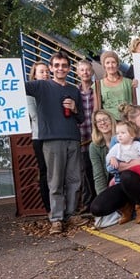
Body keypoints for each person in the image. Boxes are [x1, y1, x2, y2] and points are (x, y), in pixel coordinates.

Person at [25, 51, 85, 235]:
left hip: (73, 138)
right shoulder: (41, 86)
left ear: (68, 69)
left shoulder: (74, 90)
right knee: (55, 180)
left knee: (75, 179)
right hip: (51, 140)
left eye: (64, 65)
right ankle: (57, 219)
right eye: (56, 65)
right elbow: (14, 86)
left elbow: (81, 118)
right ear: (50, 68)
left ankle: (71, 213)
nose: (60, 68)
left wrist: (75, 108)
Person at [90, 103, 140, 224]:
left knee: (127, 175)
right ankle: (127, 207)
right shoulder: (117, 139)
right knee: (97, 207)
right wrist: (136, 163)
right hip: (124, 183)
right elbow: (110, 167)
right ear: (131, 121)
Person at [26, 60, 50, 213]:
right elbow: (34, 115)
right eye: (41, 71)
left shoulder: (53, 89)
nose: (45, 74)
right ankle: (49, 208)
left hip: (55, 137)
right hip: (40, 137)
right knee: (45, 172)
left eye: (47, 71)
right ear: (34, 75)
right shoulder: (30, 92)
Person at [75, 59, 96, 214]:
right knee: (85, 172)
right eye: (82, 70)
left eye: (87, 70)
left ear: (92, 71)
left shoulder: (98, 90)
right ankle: (88, 203)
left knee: (99, 170)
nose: (85, 73)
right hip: (82, 137)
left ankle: (100, 199)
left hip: (97, 136)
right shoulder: (74, 92)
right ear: (78, 73)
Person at [96, 51, 134, 120]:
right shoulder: (98, 85)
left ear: (117, 64)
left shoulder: (129, 83)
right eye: (107, 63)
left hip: (127, 122)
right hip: (108, 124)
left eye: (113, 62)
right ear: (104, 66)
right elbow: (97, 109)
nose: (111, 65)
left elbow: (135, 105)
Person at [89, 110, 117, 196]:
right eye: (99, 121)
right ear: (96, 126)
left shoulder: (121, 138)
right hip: (108, 184)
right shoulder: (94, 146)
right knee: (98, 207)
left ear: (111, 121)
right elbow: (99, 175)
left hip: (124, 181)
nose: (103, 123)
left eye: (105, 119)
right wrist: (103, 196)